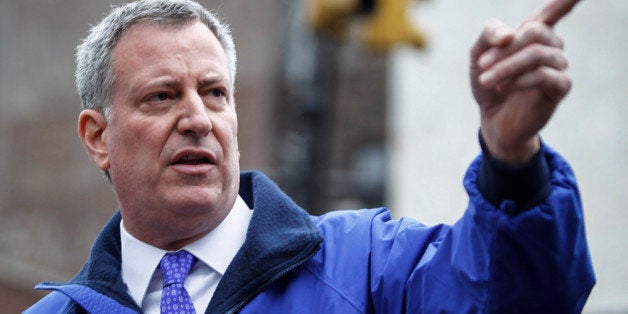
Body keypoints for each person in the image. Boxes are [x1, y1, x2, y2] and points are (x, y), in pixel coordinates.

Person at [26, 0, 594, 313]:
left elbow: (515, 297)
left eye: (216, 92)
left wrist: (512, 157)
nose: (199, 118)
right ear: (98, 136)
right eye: (162, 96)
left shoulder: (369, 267)